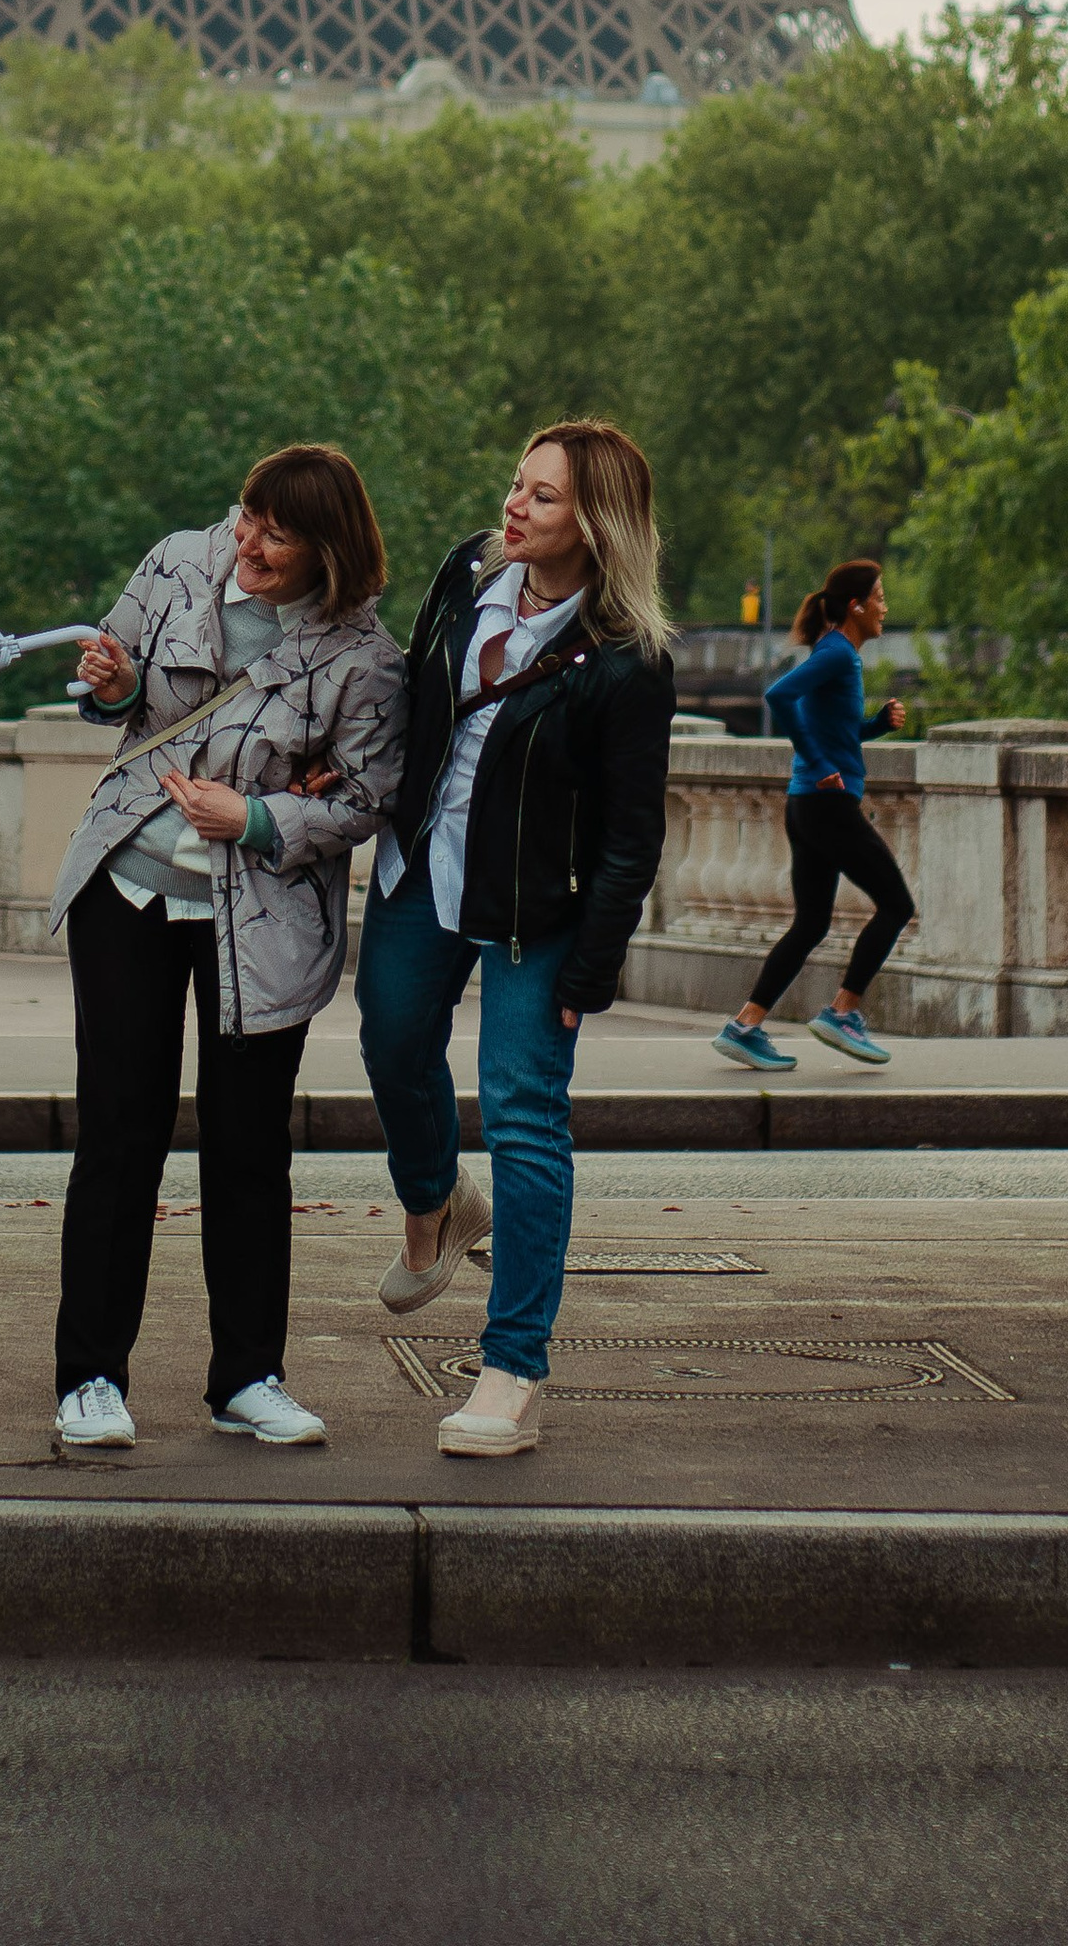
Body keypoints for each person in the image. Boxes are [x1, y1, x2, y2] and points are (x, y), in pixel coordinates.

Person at [46, 443, 404, 1456]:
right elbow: (109, 693)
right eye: (248, 516)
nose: (247, 542)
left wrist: (253, 818)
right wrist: (110, 683)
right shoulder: (174, 565)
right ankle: (89, 1380)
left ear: (327, 552)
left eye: (276, 535)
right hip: (127, 892)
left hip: (264, 926)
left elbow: (370, 795)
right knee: (119, 1136)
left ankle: (247, 1377)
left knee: (248, 1151)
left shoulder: (362, 660)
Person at [356, 420, 675, 1461]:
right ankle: (438, 1200)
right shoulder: (465, 577)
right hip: (422, 869)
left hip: (540, 914)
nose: (514, 505)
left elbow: (633, 834)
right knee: (392, 1039)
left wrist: (595, 962)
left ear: (595, 522)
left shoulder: (628, 662)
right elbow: (417, 701)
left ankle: (512, 1371)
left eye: (541, 496)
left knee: (525, 1118)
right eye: (516, 485)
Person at [713, 557, 910, 1071]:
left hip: (806, 805)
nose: (887, 607)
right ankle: (843, 1013)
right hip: (826, 805)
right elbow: (779, 695)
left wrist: (875, 726)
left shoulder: (841, 656)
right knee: (896, 904)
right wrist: (822, 764)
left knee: (812, 923)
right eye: (881, 597)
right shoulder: (838, 654)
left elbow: (836, 730)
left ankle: (744, 1026)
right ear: (856, 606)